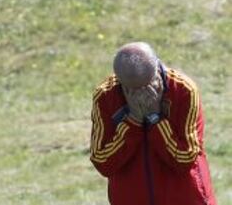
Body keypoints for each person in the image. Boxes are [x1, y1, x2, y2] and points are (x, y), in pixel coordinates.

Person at [89, 42, 217, 205]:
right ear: (119, 81)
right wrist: (133, 121)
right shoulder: (106, 96)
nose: (142, 96)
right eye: (133, 91)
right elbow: (102, 161)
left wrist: (155, 118)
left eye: (147, 86)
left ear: (157, 69)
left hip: (185, 198)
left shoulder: (183, 91)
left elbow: (185, 159)